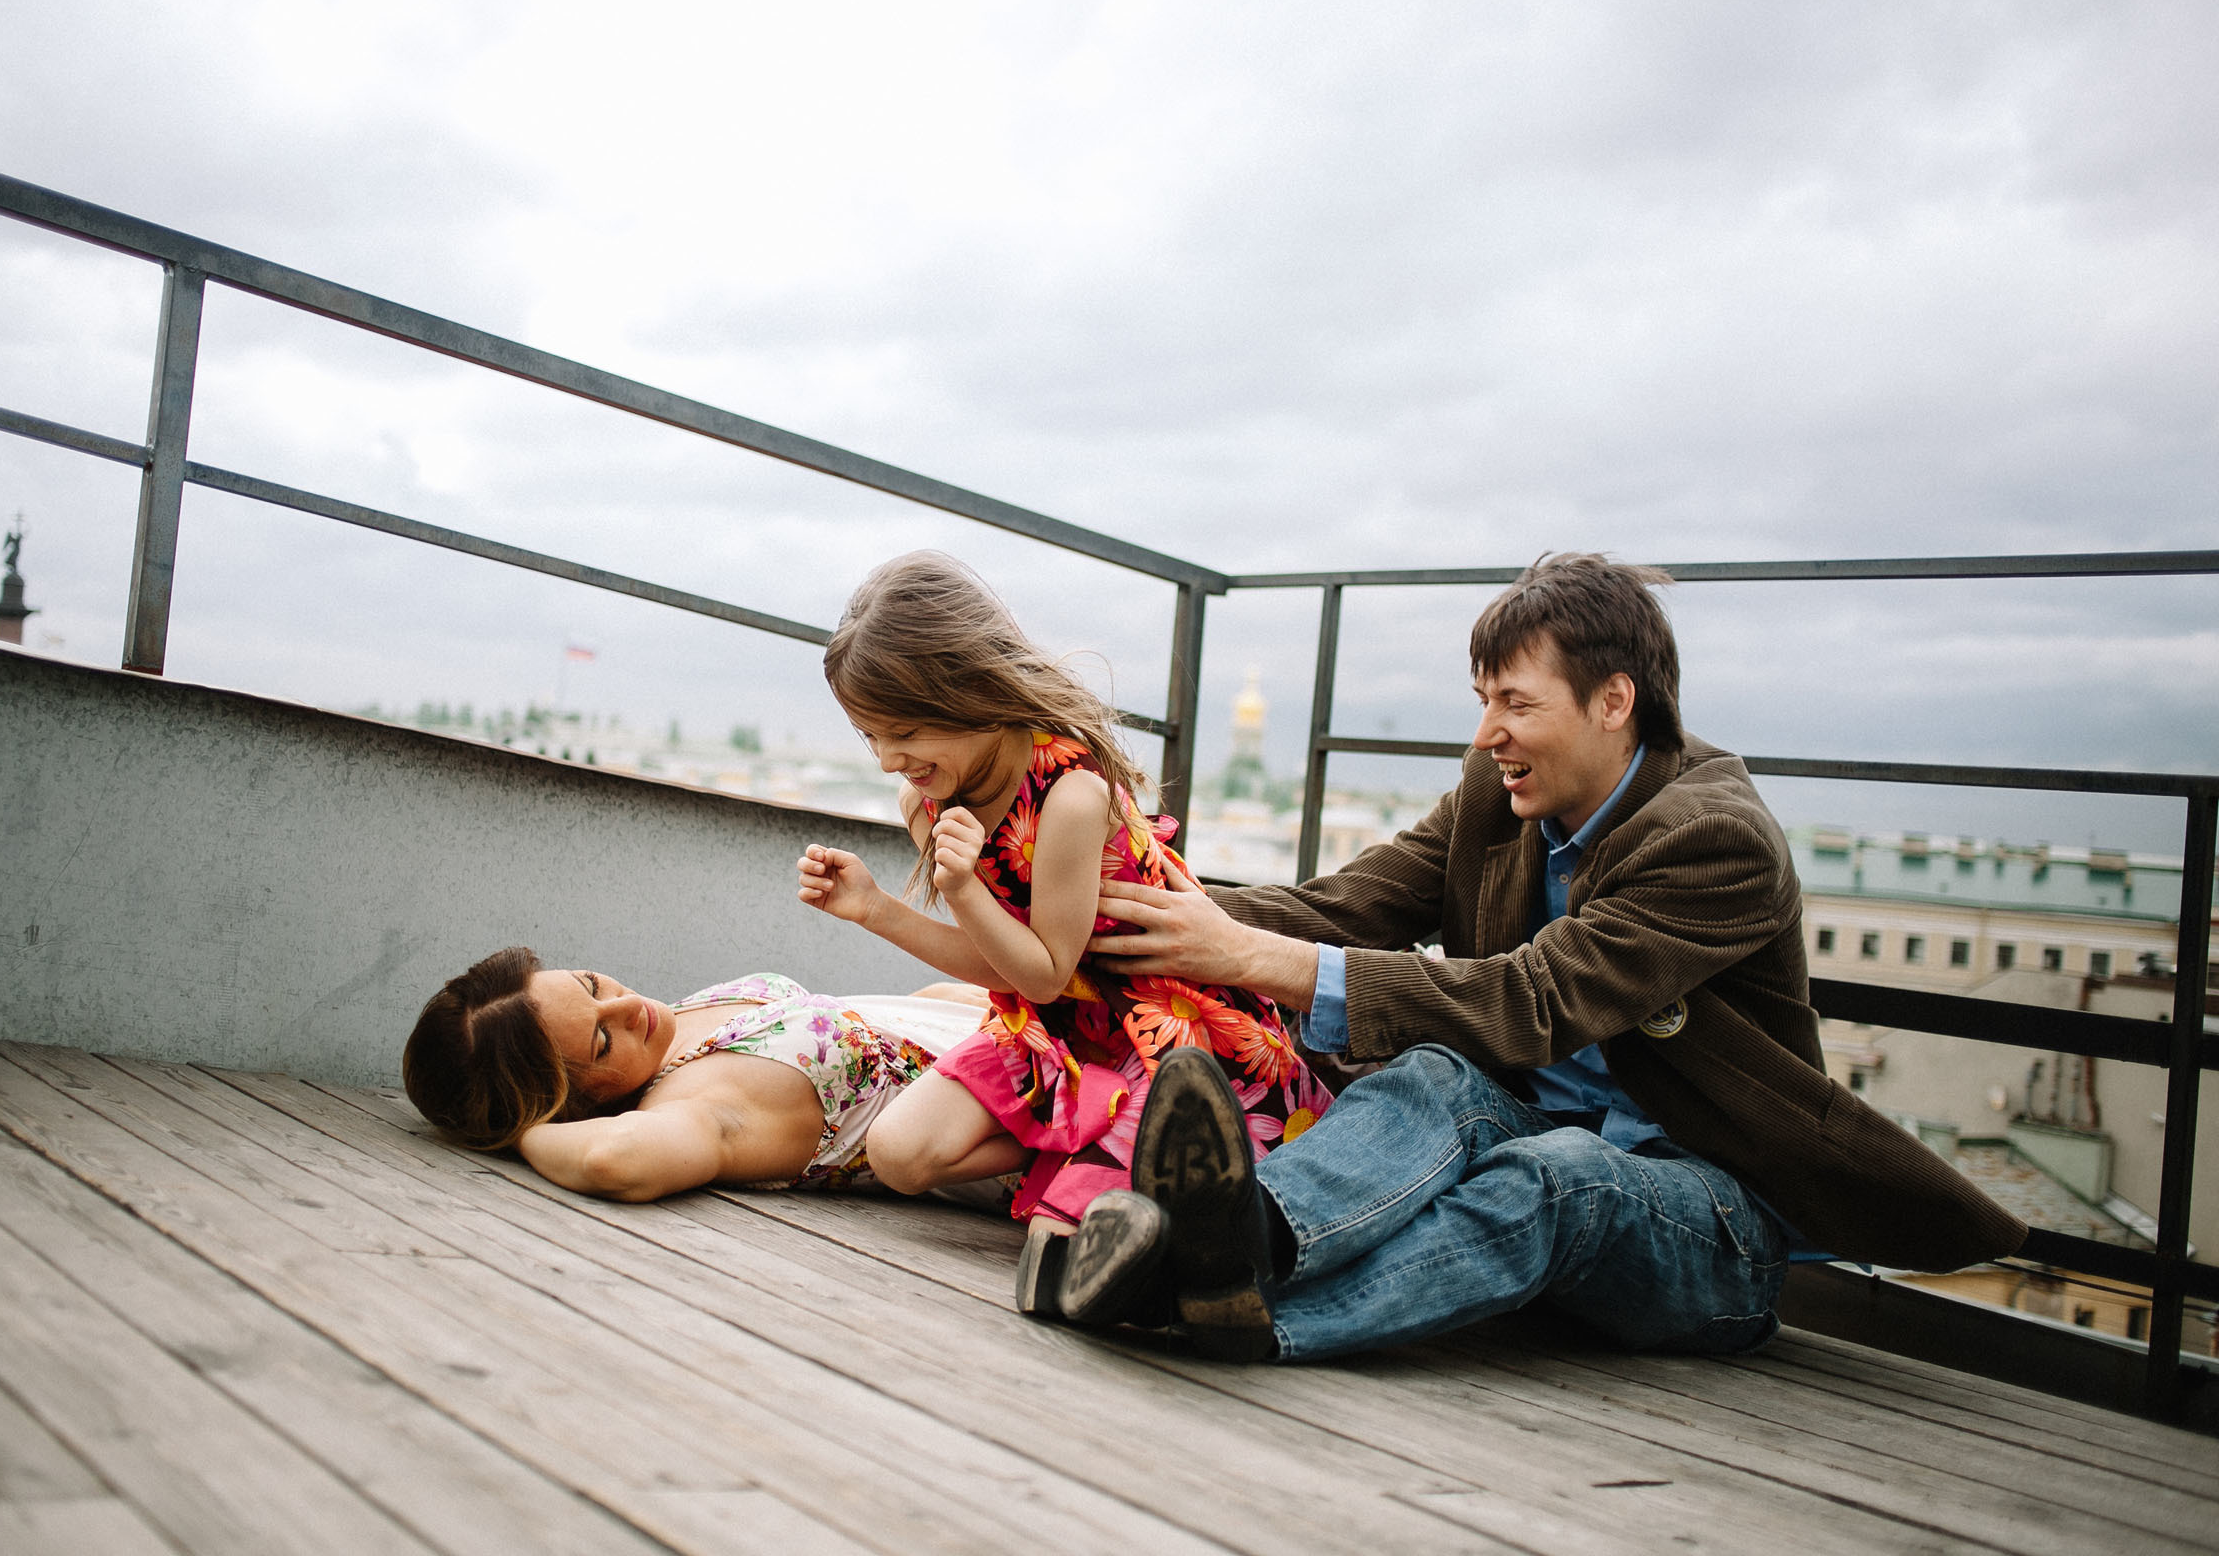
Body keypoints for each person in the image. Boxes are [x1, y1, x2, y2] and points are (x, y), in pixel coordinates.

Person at [1059, 552, 2025, 1362]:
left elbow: (1534, 1000)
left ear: (1614, 701)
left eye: (1514, 703)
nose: (1487, 736)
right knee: (1434, 1076)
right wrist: (1130, 908)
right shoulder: (1499, 791)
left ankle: (1242, 1320)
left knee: (1564, 1173)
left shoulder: (1714, 840)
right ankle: (1215, 1244)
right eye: (1483, 701)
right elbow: (1343, 907)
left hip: (1706, 1222)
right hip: (1525, 1132)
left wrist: (1250, 958)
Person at [795, 550, 1333, 1313]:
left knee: (1066, 1239)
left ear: (973, 690)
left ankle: (1097, 1165)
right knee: (898, 1152)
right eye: (869, 737)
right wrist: (875, 908)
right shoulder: (930, 803)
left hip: (1163, 1029)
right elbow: (1004, 972)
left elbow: (1045, 968)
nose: (888, 760)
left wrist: (958, 888)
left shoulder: (1072, 795)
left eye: (905, 731)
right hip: (1053, 1031)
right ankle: (1078, 1141)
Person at [400, 946, 992, 1201]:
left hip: (1026, 1031)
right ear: (573, 1103)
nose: (628, 1007)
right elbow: (616, 1159)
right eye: (604, 1041)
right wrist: (525, 1129)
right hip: (1043, 1111)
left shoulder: (672, 1031)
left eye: (593, 986)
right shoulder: (696, 1104)